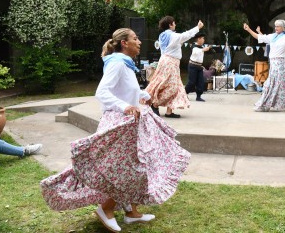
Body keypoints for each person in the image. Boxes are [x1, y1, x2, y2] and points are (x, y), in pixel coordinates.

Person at [40, 28, 191, 233]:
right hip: (119, 123)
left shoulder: (126, 64)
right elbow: (102, 92)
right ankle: (106, 209)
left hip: (130, 122)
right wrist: (125, 106)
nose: (139, 42)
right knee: (125, 170)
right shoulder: (118, 63)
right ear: (124, 43)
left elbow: (127, 90)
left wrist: (144, 95)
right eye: (135, 39)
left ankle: (131, 212)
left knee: (136, 167)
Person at [145, 16, 204, 118]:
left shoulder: (162, 35)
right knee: (172, 86)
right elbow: (185, 36)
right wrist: (197, 28)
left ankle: (169, 111)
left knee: (169, 84)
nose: (175, 24)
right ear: (170, 25)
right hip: (170, 62)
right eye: (174, 23)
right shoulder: (172, 36)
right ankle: (155, 105)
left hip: (166, 61)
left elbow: (178, 41)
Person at [243, 19, 285, 112]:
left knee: (274, 83)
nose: (276, 28)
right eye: (275, 26)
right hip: (273, 63)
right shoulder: (272, 36)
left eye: (278, 26)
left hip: (280, 64)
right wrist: (248, 29)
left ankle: (266, 105)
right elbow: (259, 37)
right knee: (284, 83)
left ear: (283, 28)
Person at [185, 32, 211, 102]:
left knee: (201, 82)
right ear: (198, 39)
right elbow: (195, 52)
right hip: (192, 66)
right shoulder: (194, 46)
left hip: (199, 66)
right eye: (203, 38)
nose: (204, 40)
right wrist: (203, 50)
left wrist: (208, 49)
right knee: (191, 82)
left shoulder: (201, 47)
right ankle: (184, 94)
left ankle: (198, 96)